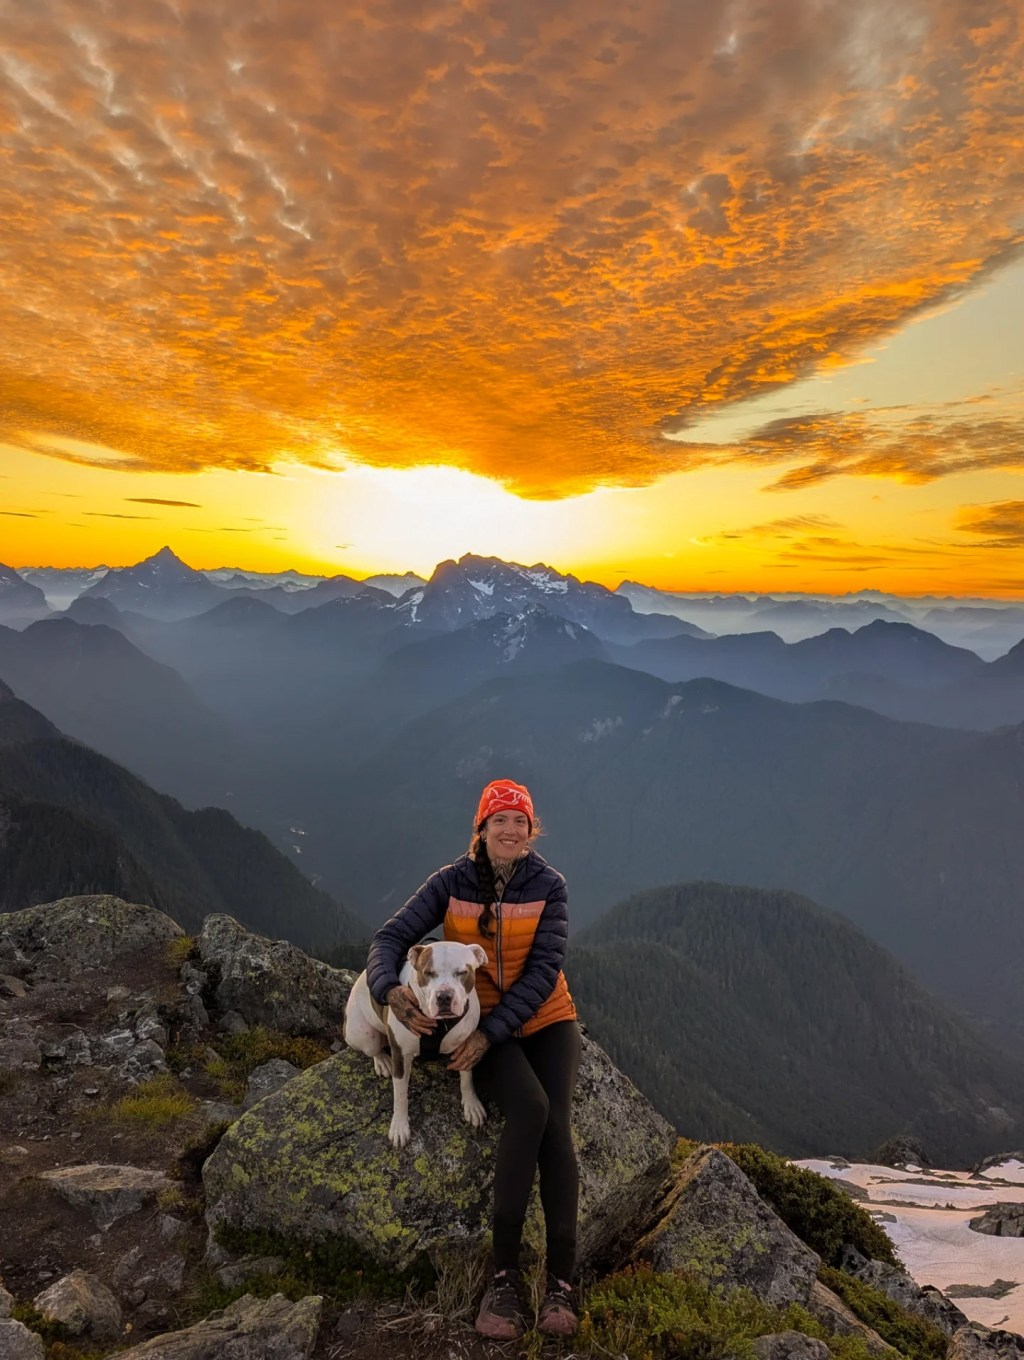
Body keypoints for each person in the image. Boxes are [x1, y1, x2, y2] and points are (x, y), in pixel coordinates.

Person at [366, 777, 582, 1340]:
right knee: (530, 1111)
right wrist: (390, 992)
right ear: (481, 829)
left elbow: (542, 972)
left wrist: (489, 1036)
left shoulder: (549, 886)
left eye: (520, 822)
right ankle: (504, 1276)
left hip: (545, 1020)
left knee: (557, 1128)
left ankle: (562, 1281)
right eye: (499, 821)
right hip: (484, 1023)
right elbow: (389, 940)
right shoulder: (450, 883)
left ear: (532, 831)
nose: (510, 830)